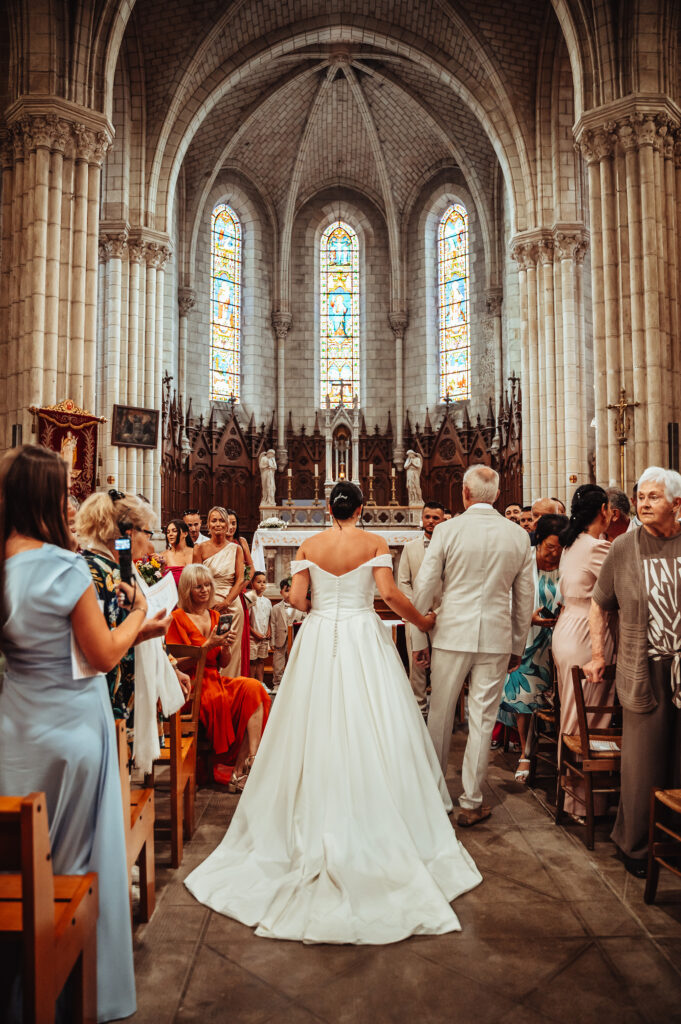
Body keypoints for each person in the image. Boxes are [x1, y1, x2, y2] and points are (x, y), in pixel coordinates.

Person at [183, 481, 481, 943]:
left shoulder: (310, 544)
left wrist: (319, 605)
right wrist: (422, 620)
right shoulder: (375, 542)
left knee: (311, 719)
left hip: (320, 634)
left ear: (328, 507)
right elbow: (389, 595)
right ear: (362, 508)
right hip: (363, 633)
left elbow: (295, 600)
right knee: (375, 720)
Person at [0, 446, 142, 1021]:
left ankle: (16, 991)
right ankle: (73, 996)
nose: (68, 502)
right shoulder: (64, 566)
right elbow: (102, 654)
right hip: (74, 730)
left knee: (18, 864)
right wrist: (140, 617)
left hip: (15, 731)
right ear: (43, 497)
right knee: (74, 865)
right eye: (61, 492)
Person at [412, 465, 534, 826]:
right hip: (496, 636)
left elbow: (425, 584)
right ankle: (472, 801)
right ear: (496, 496)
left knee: (440, 713)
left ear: (465, 493)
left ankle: (435, 797)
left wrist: (418, 635)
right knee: (482, 718)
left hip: (451, 632)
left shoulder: (447, 530)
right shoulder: (517, 535)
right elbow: (524, 598)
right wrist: (517, 644)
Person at [585, 467, 681, 877]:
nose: (643, 503)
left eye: (653, 497)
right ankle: (637, 846)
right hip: (644, 669)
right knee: (643, 765)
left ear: (677, 504)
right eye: (640, 496)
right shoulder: (624, 547)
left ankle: (674, 842)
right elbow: (599, 603)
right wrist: (597, 654)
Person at [166, 565, 270, 791]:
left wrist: (225, 647)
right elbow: (174, 665)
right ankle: (229, 767)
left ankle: (247, 763)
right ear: (187, 590)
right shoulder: (177, 618)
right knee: (216, 698)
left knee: (255, 688)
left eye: (207, 585)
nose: (204, 590)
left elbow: (223, 663)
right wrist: (208, 645)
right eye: (198, 586)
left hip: (215, 679)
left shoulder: (215, 616)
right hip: (190, 684)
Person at [76, 489, 174, 722]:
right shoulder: (109, 574)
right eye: (147, 532)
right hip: (111, 698)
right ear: (129, 533)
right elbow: (101, 649)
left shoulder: (88, 564)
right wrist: (141, 616)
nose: (148, 541)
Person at [551, 484, 614, 821]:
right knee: (590, 717)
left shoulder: (571, 544)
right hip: (586, 632)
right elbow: (618, 589)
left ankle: (570, 795)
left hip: (567, 627)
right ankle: (584, 803)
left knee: (572, 712)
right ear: (604, 510)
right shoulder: (596, 547)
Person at [497, 513, 568, 782]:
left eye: (560, 548)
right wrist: (528, 618)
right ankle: (525, 753)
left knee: (561, 697)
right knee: (524, 694)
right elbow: (504, 596)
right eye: (550, 547)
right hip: (527, 638)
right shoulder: (522, 560)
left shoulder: (568, 562)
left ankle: (561, 752)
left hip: (561, 637)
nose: (555, 553)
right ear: (538, 540)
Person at [397, 499, 446, 718]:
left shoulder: (450, 548)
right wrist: (417, 612)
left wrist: (437, 612)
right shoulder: (410, 547)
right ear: (422, 518)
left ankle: (439, 714)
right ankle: (419, 712)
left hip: (443, 616)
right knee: (417, 666)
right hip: (415, 616)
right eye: (427, 517)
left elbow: (453, 584)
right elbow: (403, 582)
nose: (431, 521)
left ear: (443, 521)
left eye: (436, 518)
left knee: (442, 667)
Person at [194, 506, 245, 676]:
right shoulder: (199, 549)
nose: (218, 524)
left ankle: (229, 684)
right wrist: (208, 602)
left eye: (222, 520)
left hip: (232, 604)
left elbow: (240, 579)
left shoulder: (236, 549)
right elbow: (196, 579)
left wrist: (226, 602)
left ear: (227, 525)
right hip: (207, 604)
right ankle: (208, 684)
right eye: (214, 520)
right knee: (209, 647)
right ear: (208, 524)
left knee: (230, 647)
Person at [269, 577, 304, 690]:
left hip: (295, 640)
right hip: (280, 640)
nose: (289, 593)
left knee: (294, 661)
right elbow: (273, 624)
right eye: (286, 590)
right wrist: (272, 642)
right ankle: (277, 683)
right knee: (278, 663)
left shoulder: (301, 607)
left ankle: (293, 684)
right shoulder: (276, 608)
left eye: (292, 590)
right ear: (281, 592)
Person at [248, 570, 271, 684]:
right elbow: (246, 622)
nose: (262, 584)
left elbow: (269, 618)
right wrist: (254, 633)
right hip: (252, 637)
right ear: (252, 583)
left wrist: (269, 630)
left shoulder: (267, 601)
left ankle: (261, 683)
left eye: (264, 582)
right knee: (252, 662)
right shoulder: (249, 600)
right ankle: (252, 684)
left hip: (263, 637)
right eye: (259, 582)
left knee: (261, 661)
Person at [162, 517, 194, 584]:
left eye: (174, 531)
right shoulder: (163, 556)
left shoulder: (195, 552)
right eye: (168, 532)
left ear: (185, 534)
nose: (170, 534)